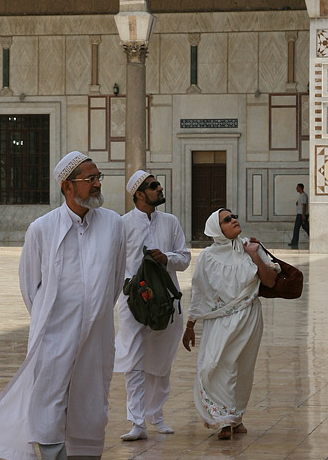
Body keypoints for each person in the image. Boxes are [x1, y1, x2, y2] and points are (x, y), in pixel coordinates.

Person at [0, 152, 126, 460]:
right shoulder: (41, 229)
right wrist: (53, 325)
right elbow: (29, 285)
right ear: (67, 186)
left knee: (91, 413)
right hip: (54, 338)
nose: (97, 183)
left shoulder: (114, 225)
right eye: (88, 178)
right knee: (49, 416)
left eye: (98, 176)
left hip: (97, 338)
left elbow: (116, 277)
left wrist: (94, 315)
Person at [182, 209, 279, 442]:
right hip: (219, 320)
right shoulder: (207, 256)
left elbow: (270, 280)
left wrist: (255, 255)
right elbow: (199, 291)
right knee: (214, 364)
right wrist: (190, 325)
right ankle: (222, 417)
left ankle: (234, 416)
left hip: (248, 317)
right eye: (227, 219)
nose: (234, 220)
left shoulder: (252, 247)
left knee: (243, 368)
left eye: (234, 216)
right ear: (217, 229)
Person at [115, 170, 191, 441]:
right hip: (133, 302)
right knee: (133, 360)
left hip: (166, 303)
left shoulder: (170, 222)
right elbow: (114, 264)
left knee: (161, 361)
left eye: (158, 184)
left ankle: (156, 415)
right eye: (153, 186)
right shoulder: (121, 224)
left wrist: (166, 258)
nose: (160, 189)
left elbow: (184, 258)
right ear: (139, 194)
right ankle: (137, 421)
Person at [290, 183, 310, 249]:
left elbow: (304, 205)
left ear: (300, 188)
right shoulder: (302, 195)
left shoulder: (303, 195)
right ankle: (294, 241)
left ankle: (294, 242)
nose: (296, 188)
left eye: (297, 187)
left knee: (297, 228)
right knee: (305, 228)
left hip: (301, 214)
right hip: (301, 214)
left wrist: (303, 215)